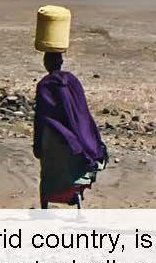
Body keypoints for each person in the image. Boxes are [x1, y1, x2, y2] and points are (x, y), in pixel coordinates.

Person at [33, 50, 107, 208]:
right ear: (61, 62)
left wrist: (37, 144)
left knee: (48, 174)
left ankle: (44, 209)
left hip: (52, 136)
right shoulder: (73, 81)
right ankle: (77, 202)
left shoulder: (44, 85)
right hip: (74, 136)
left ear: (46, 63)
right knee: (74, 172)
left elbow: (42, 115)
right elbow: (81, 110)